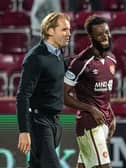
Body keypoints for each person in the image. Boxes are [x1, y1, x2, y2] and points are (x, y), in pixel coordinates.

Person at [16, 12, 71, 168]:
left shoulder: (58, 54)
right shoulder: (35, 57)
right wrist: (24, 131)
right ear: (50, 31)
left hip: (54, 123)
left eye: (69, 29)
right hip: (39, 123)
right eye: (64, 29)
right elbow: (22, 95)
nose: (69, 33)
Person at [64, 15, 116, 168]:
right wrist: (91, 109)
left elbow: (104, 93)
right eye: (100, 35)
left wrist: (111, 114)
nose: (105, 37)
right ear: (91, 37)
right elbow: (64, 95)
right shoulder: (80, 63)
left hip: (103, 121)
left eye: (107, 32)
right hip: (89, 125)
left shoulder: (112, 59)